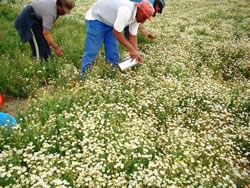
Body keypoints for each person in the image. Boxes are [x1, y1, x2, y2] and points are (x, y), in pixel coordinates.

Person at [81, 0, 155, 77]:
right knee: (92, 51)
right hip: (96, 18)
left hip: (110, 21)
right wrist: (131, 49)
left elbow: (132, 35)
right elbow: (116, 33)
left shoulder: (137, 17)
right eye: (145, 16)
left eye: (147, 18)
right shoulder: (126, 11)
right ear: (140, 10)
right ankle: (83, 77)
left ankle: (111, 76)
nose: (144, 20)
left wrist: (136, 53)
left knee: (113, 54)